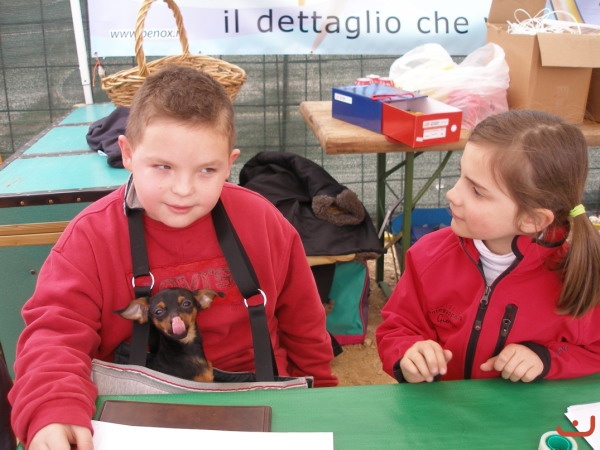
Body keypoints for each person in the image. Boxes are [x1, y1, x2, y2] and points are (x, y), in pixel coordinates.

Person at [9, 65, 338, 449]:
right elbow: (53, 336)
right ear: (127, 153)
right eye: (163, 167)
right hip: (135, 415)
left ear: (229, 162)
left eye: (207, 170)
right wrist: (53, 407)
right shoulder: (91, 236)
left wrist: (323, 398)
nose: (183, 189)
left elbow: (304, 323)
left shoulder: (263, 221)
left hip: (260, 403)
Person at [376, 110, 600, 384]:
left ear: (532, 219)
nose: (452, 194)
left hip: (520, 411)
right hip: (442, 405)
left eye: (478, 191)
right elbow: (397, 327)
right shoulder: (428, 254)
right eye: (460, 176)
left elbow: (594, 350)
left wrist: (546, 358)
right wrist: (408, 354)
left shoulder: (579, 273)